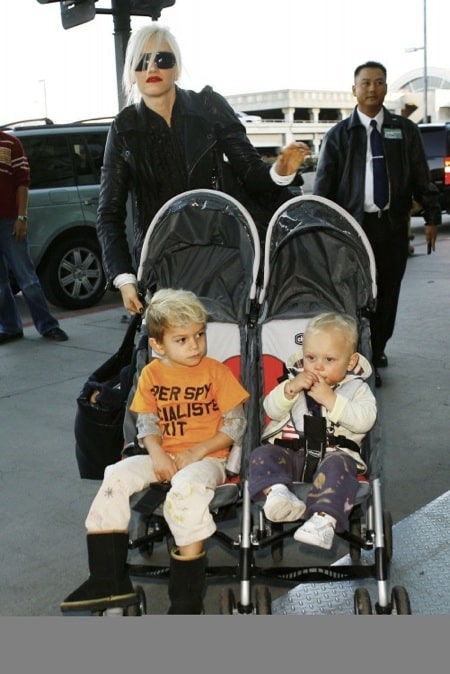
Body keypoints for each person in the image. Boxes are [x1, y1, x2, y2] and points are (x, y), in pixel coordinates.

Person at [96, 23, 310, 316]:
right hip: (163, 263)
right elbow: (109, 213)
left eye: (163, 59)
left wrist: (279, 170)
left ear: (177, 67)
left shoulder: (208, 106)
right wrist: (123, 277)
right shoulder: (124, 129)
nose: (152, 68)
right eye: (141, 62)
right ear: (132, 73)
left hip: (225, 251)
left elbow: (249, 172)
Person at [61, 288, 249, 614]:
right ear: (158, 344)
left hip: (208, 460)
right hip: (163, 454)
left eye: (199, 335)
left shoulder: (216, 372)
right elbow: (146, 423)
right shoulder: (151, 374)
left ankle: (186, 601)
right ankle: (109, 581)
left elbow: (235, 426)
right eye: (183, 339)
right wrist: (158, 452)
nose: (195, 345)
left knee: (184, 492)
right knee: (115, 475)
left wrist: (196, 453)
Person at [313, 61, 441, 386]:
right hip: (353, 231)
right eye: (366, 83)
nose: (372, 88)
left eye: (379, 82)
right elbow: (323, 191)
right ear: (354, 89)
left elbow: (420, 176)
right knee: (356, 298)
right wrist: (324, 235)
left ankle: (378, 346)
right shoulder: (338, 136)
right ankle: (363, 358)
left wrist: (431, 215)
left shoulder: (404, 130)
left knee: (387, 293)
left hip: (392, 227)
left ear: (385, 89)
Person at [248, 312, 377, 550]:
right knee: (261, 455)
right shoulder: (292, 382)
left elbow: (364, 421)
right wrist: (288, 391)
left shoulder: (357, 389)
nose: (318, 366)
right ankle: (278, 493)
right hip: (292, 455)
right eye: (311, 357)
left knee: (340, 466)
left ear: (350, 362)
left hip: (333, 457)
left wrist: (332, 401)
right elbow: (271, 409)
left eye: (329, 359)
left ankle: (322, 521)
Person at [0, 130, 68, 344]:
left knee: (27, 278)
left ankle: (48, 326)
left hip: (10, 221)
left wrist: (22, 217)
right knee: (0, 284)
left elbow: (23, 182)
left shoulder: (10, 143)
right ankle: (10, 327)